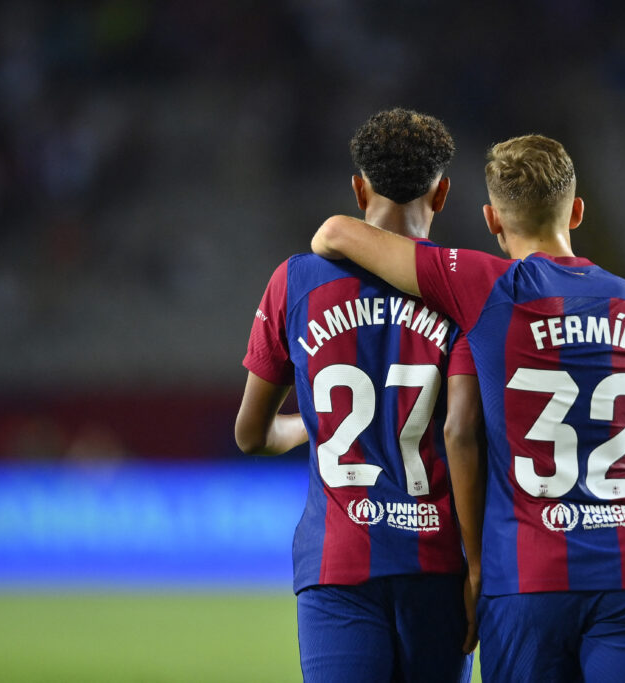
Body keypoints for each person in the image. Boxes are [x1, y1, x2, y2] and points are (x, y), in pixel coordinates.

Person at [312, 134, 625, 682]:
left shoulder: (487, 286)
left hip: (526, 578)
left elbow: (336, 233)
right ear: (577, 211)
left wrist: (475, 565)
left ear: (491, 219)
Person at [235, 108, 476, 683]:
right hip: (436, 565)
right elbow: (467, 432)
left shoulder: (294, 282)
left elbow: (250, 435)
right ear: (441, 193)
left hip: (337, 565)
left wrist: (305, 426)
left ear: (358, 187)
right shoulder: (467, 289)